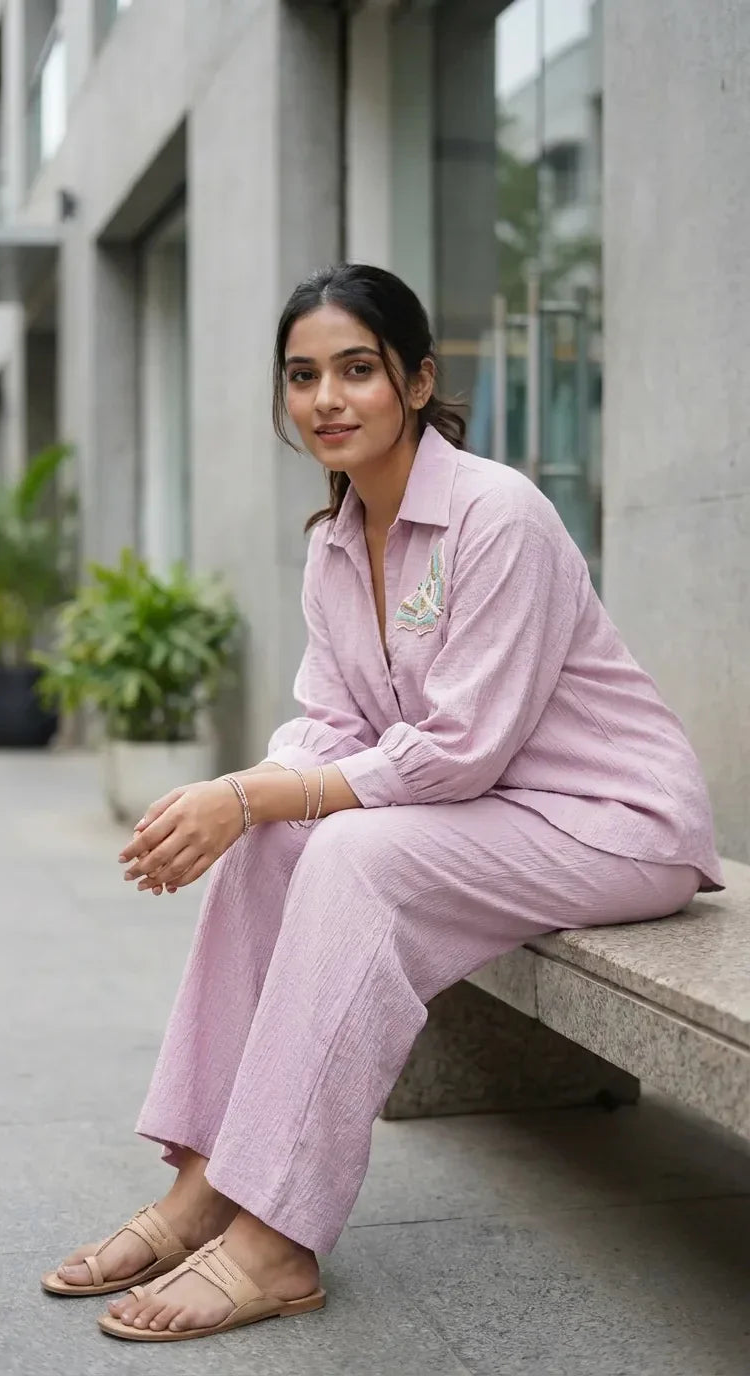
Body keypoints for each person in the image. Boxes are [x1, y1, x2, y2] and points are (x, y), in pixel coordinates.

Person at [41, 263, 723, 1344]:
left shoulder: (501, 516)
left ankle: (275, 1238)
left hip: (611, 824)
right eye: (303, 375)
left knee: (353, 856)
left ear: (416, 380)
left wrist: (252, 791)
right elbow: (330, 722)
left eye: (356, 369)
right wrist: (249, 797)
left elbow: (460, 749)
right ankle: (205, 1178)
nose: (326, 398)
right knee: (275, 842)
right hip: (488, 821)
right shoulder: (333, 541)